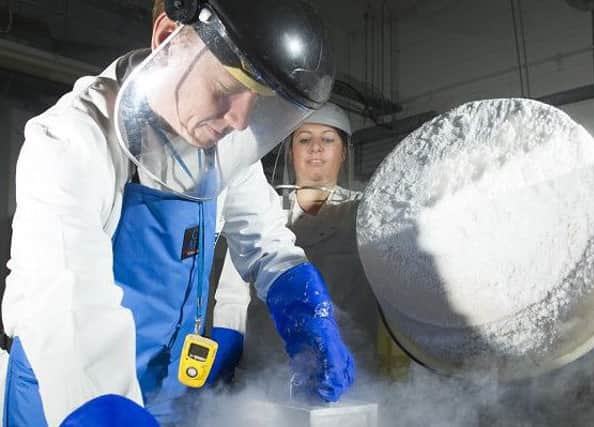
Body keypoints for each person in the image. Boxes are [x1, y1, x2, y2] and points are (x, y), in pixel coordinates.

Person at [1, 1, 355, 425]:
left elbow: (265, 242)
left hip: (165, 391)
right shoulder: (70, 139)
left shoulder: (221, 144)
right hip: (74, 399)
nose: (240, 120)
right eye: (226, 89)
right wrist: (106, 412)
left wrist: (303, 306)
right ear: (168, 36)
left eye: (256, 102)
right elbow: (67, 302)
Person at [216, 103, 411, 388]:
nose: (315, 148)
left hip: (347, 373)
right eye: (304, 139)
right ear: (291, 151)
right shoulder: (259, 210)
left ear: (344, 152)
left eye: (328, 139)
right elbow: (233, 296)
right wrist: (226, 353)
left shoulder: (368, 211)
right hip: (263, 375)